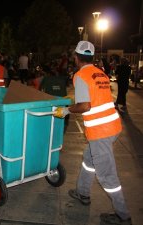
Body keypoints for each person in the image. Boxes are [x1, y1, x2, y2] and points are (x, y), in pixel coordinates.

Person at [54, 41, 132, 225]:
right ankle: (83, 192)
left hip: (100, 131)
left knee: (107, 174)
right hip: (112, 126)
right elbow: (95, 97)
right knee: (89, 161)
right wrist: (74, 99)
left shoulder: (80, 75)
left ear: (76, 57)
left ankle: (123, 215)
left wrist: (66, 110)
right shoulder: (100, 73)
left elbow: (85, 105)